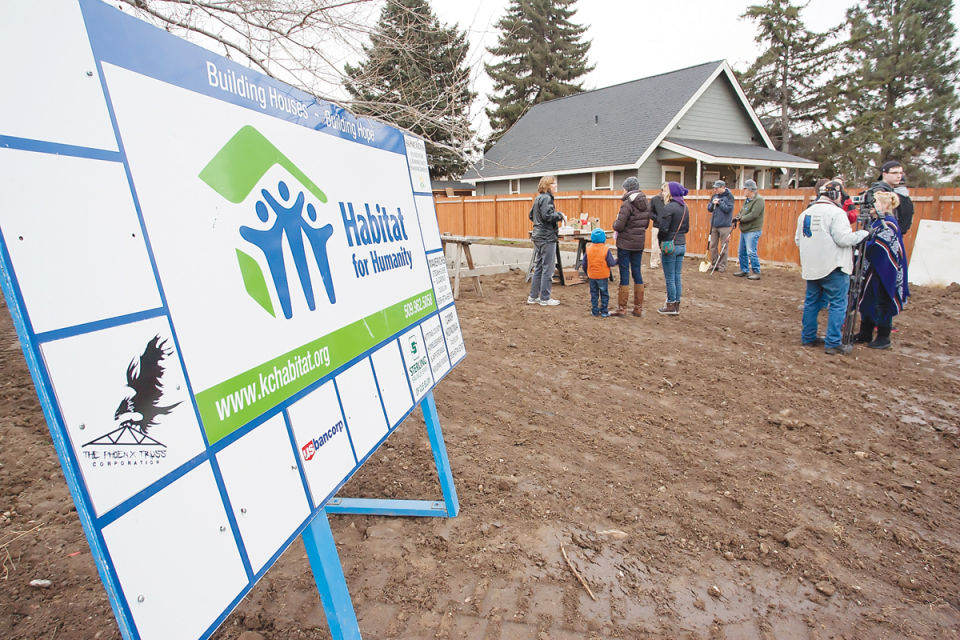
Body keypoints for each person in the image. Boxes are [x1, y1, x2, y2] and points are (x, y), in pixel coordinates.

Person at [795, 180, 869, 355]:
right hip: (833, 266)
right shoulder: (837, 213)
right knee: (838, 303)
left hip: (812, 266)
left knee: (812, 302)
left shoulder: (805, 213)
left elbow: (799, 240)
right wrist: (863, 234)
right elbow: (844, 239)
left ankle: (808, 337)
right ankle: (833, 342)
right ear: (836, 195)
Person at [855, 191, 909, 349]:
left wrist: (863, 242)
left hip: (884, 270)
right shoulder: (874, 222)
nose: (871, 206)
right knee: (868, 299)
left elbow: (883, 247)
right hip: (872, 268)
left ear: (885, 205)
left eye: (875, 203)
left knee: (881, 301)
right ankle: (866, 332)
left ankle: (883, 336)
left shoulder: (889, 223)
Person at [610, 177, 651, 317]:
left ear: (627, 188)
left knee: (624, 272)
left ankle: (622, 308)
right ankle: (638, 308)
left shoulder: (627, 204)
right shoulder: (646, 203)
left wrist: (614, 225)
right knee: (637, 271)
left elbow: (619, 225)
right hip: (639, 243)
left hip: (625, 243)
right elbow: (645, 224)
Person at [527, 175, 566, 306]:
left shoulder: (538, 198)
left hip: (537, 236)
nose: (556, 186)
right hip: (547, 238)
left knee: (538, 267)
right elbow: (547, 216)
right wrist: (560, 215)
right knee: (548, 269)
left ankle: (533, 297)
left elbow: (531, 215)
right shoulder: (547, 198)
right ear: (548, 185)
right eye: (554, 184)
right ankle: (545, 298)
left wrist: (539, 225)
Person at [656, 182, 690, 315]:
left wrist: (661, 242)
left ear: (671, 192)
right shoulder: (685, 207)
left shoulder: (669, 208)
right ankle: (676, 304)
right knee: (677, 276)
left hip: (670, 245)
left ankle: (670, 305)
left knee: (670, 277)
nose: (663, 193)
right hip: (682, 244)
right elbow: (686, 228)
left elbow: (663, 229)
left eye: (664, 190)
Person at [860, 160, 915, 234]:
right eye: (894, 173)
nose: (899, 176)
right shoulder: (879, 192)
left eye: (900, 173)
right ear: (884, 174)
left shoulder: (891, 192)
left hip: (891, 233)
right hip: (880, 235)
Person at [732, 179, 764, 279]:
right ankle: (744, 270)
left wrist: (741, 219)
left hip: (753, 230)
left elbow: (754, 215)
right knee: (741, 252)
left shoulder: (759, 200)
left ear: (750, 190)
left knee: (751, 252)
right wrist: (736, 218)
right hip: (745, 230)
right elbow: (742, 212)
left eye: (745, 189)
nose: (743, 191)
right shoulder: (747, 201)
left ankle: (756, 272)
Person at [582, 228, 618, 317]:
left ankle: (594, 311)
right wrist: (618, 260)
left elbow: (584, 264)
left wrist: (587, 272)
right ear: (603, 239)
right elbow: (611, 263)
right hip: (603, 276)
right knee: (604, 293)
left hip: (592, 276)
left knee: (594, 294)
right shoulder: (605, 249)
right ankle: (604, 311)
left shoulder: (588, 249)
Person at [706, 179, 735, 272]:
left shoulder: (729, 197)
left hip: (724, 225)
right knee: (713, 245)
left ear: (723, 187)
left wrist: (720, 202)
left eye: (717, 188)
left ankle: (722, 266)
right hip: (714, 224)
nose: (715, 190)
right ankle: (714, 263)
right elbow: (709, 208)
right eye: (714, 188)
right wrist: (712, 204)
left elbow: (728, 209)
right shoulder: (714, 196)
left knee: (724, 246)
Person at [648, 182, 668, 269]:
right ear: (662, 190)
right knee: (655, 245)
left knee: (666, 245)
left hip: (667, 226)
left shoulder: (670, 200)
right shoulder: (655, 199)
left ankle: (663, 261)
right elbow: (649, 211)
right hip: (657, 226)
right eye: (665, 190)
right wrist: (656, 219)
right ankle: (654, 262)